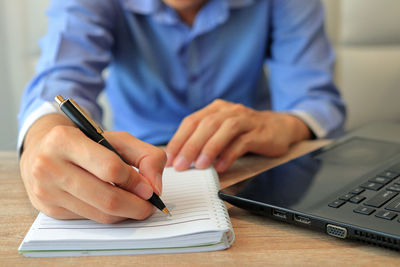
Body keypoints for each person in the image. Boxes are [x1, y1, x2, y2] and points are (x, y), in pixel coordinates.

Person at [18, 0, 346, 223]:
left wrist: (285, 126)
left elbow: (316, 100)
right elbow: (61, 79)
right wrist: (42, 139)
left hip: (253, 166)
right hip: (132, 167)